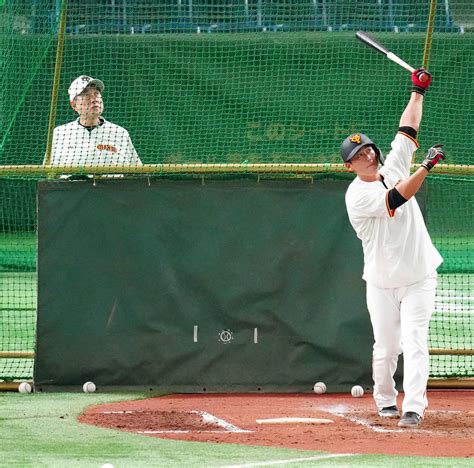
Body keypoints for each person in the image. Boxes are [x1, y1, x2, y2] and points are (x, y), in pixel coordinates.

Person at [340, 69, 446, 428]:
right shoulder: (358, 195)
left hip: (419, 275)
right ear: (349, 165)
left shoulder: (393, 164)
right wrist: (428, 166)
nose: (367, 153)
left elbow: (407, 129)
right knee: (387, 348)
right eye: (358, 153)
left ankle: (414, 406)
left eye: (368, 147)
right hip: (383, 282)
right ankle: (385, 400)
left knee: (416, 340)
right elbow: (399, 196)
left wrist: (418, 91)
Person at [46, 75, 142, 168]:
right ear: (73, 104)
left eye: (96, 94)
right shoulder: (60, 134)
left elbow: (137, 173)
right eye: (86, 95)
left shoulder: (120, 133)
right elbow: (49, 176)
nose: (93, 100)